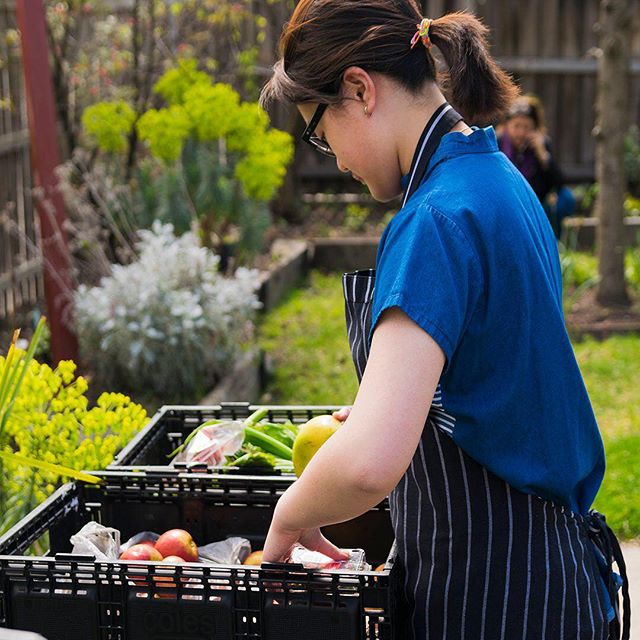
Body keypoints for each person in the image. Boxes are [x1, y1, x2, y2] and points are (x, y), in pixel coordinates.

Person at [259, 2, 630, 639]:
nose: (335, 158)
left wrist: (290, 515)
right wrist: (401, 403)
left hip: (498, 597)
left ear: (359, 89)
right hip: (550, 582)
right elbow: (499, 366)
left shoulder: (434, 219)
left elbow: (370, 466)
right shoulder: (497, 179)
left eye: (320, 132)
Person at [498, 94, 576, 239]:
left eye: (527, 127)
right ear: (507, 125)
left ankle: (551, 240)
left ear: (535, 128)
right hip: (506, 202)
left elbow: (559, 183)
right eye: (516, 126)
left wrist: (542, 155)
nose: (521, 133)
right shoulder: (498, 143)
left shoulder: (541, 144)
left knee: (566, 198)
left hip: (535, 204)